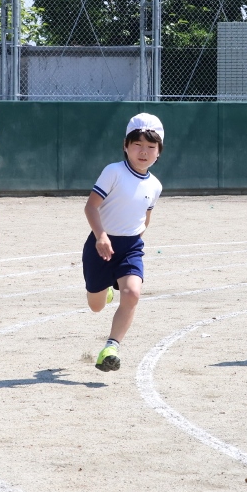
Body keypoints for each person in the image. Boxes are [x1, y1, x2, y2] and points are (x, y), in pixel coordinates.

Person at [83, 113, 164, 371]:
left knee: (132, 293)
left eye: (151, 147)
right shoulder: (113, 172)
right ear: (126, 146)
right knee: (95, 306)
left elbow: (145, 218)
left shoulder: (155, 185)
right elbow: (91, 207)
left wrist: (134, 243)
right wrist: (101, 236)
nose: (144, 151)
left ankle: (111, 347)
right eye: (137, 144)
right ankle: (105, 290)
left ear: (159, 152)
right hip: (100, 246)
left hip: (130, 247)